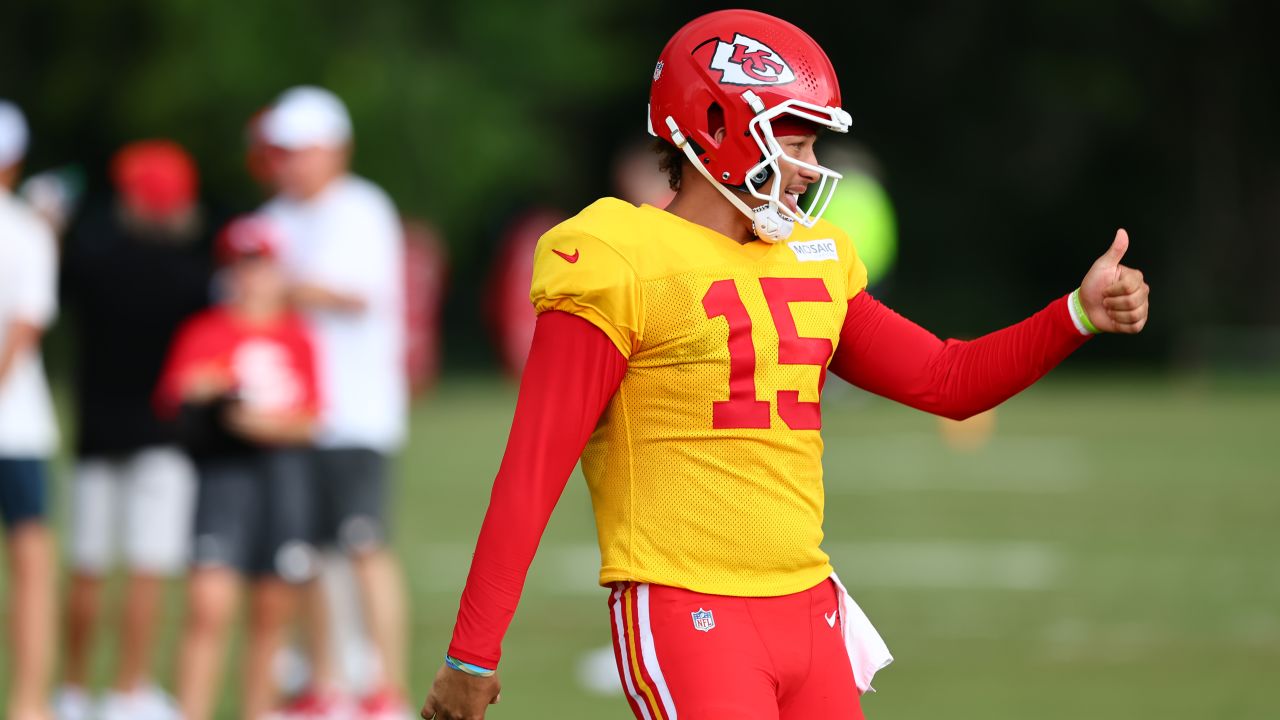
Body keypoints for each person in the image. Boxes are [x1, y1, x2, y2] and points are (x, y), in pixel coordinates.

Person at [420, 9, 1151, 720]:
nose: (808, 169)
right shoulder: (618, 256)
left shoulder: (813, 259)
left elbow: (948, 380)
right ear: (713, 128)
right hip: (687, 608)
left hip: (809, 607)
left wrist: (1076, 314)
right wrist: (471, 656)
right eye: (793, 142)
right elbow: (531, 471)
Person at [258, 86, 412, 719]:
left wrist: (279, 286)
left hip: (356, 413)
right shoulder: (275, 217)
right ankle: (325, 687)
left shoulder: (362, 209)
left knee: (364, 546)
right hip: (296, 417)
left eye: (302, 151)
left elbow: (355, 294)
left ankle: (385, 690)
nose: (291, 164)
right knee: (313, 555)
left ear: (335, 151)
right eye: (283, 152)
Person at [54, 139, 214, 720]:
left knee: (88, 567)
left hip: (95, 433)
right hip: (164, 438)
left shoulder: (91, 258)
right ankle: (127, 692)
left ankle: (71, 691)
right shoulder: (196, 278)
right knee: (147, 569)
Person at [158, 215, 322, 720]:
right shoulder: (205, 330)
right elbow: (174, 400)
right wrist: (204, 394)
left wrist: (255, 422)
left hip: (282, 478)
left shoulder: (298, 336)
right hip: (223, 478)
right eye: (242, 266)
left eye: (262, 266)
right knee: (209, 607)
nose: (252, 278)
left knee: (271, 612)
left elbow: (311, 419)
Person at [0, 99, 59, 720]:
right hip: (16, 427)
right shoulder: (27, 228)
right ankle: (27, 702)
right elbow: (23, 329)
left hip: (15, 426)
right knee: (32, 566)